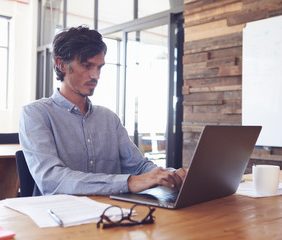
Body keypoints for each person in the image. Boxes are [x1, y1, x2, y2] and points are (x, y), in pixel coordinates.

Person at [19, 25, 186, 196]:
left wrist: (169, 175)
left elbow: (138, 167)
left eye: (99, 67)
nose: (95, 75)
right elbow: (52, 180)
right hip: (59, 216)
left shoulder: (108, 118)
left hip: (110, 213)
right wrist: (128, 182)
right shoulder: (35, 114)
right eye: (87, 66)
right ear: (61, 64)